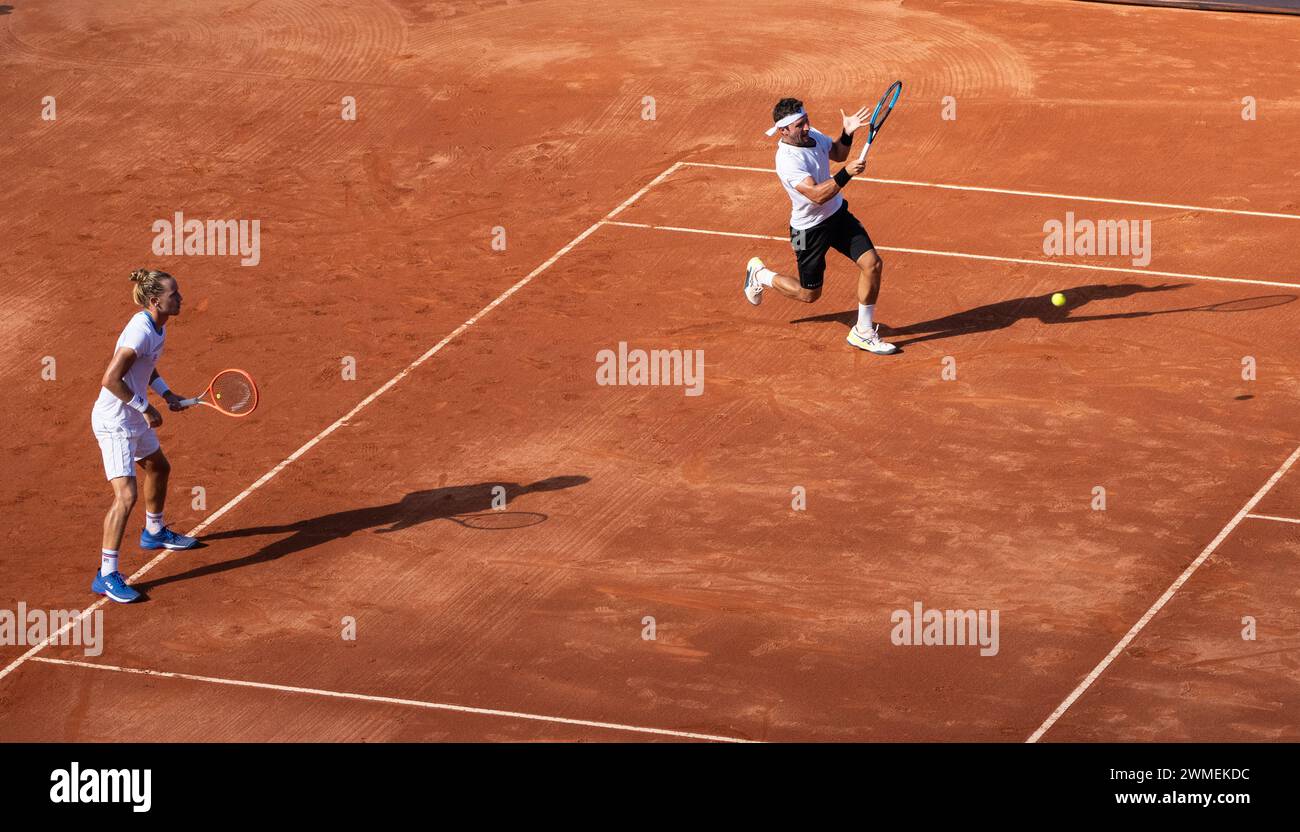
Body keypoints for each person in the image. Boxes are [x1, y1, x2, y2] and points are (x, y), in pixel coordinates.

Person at [743, 97, 898, 355]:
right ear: (784, 130)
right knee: (809, 295)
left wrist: (846, 134)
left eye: (806, 121)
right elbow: (816, 195)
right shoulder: (787, 160)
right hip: (807, 230)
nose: (806, 127)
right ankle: (760, 275)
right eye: (799, 125)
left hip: (837, 215)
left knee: (872, 263)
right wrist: (846, 173)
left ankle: (862, 331)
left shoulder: (810, 134)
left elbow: (837, 153)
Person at [90, 269, 198, 603]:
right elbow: (110, 379)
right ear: (155, 300)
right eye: (174, 294)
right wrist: (145, 407)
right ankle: (106, 575)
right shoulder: (139, 332)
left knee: (159, 467)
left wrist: (166, 395)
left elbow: (147, 366)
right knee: (125, 496)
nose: (180, 298)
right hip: (115, 422)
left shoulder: (157, 327)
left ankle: (153, 532)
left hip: (132, 417)